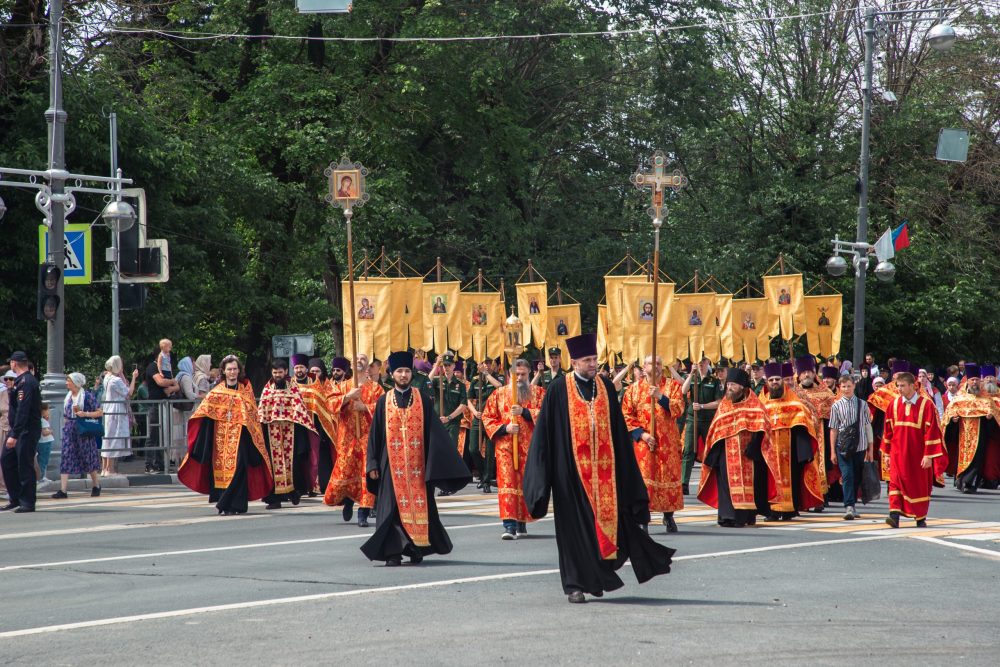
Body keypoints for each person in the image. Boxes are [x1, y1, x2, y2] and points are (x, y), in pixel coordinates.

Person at [523, 333, 675, 604]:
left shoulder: (604, 386)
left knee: (603, 528)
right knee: (573, 532)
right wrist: (541, 479)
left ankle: (595, 577)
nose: (593, 364)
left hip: (606, 474)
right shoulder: (559, 389)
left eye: (594, 359)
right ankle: (574, 585)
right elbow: (545, 436)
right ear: (574, 362)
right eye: (587, 360)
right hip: (570, 474)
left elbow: (618, 431)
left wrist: (629, 475)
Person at [361, 351, 471, 567]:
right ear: (392, 374)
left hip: (417, 466)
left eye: (407, 371)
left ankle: (415, 548)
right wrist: (372, 463)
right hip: (390, 465)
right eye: (400, 371)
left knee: (419, 507)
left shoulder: (423, 400)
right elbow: (375, 434)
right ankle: (393, 553)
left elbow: (435, 434)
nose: (403, 375)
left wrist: (439, 464)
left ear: (412, 373)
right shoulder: (384, 401)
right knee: (391, 509)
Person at [178, 355, 272, 515]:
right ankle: (228, 503)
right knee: (221, 472)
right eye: (229, 369)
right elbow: (203, 415)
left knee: (240, 467)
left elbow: (253, 418)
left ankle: (231, 504)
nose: (232, 372)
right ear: (224, 371)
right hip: (220, 440)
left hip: (241, 439)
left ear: (239, 371)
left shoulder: (245, 393)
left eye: (235, 369)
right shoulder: (216, 393)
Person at [698, 368, 771, 527]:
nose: (729, 387)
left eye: (733, 385)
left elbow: (763, 426)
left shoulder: (754, 404)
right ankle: (727, 516)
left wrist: (754, 445)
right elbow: (715, 429)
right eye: (728, 384)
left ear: (743, 387)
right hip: (726, 452)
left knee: (749, 484)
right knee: (725, 483)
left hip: (748, 454)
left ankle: (745, 516)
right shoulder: (725, 404)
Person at [621, 355, 686, 533]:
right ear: (644, 367)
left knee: (667, 477)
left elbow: (679, 408)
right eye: (651, 363)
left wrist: (660, 397)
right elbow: (626, 415)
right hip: (644, 444)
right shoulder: (633, 390)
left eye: (658, 363)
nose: (655, 366)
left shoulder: (672, 386)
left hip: (667, 443)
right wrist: (641, 434)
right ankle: (643, 519)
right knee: (644, 481)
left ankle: (668, 516)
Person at [481, 359, 545, 540]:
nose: (519, 379)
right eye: (516, 375)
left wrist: (525, 413)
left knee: (525, 485)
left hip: (530, 448)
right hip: (505, 448)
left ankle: (522, 521)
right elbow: (487, 418)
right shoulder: (498, 394)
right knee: (508, 483)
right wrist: (505, 428)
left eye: (523, 375)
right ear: (510, 375)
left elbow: (547, 413)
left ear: (529, 374)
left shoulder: (538, 393)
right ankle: (509, 525)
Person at [325, 354, 384, 526]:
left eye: (363, 359)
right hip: (347, 438)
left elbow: (383, 408)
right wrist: (347, 397)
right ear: (351, 364)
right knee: (346, 471)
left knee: (367, 473)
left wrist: (365, 407)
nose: (359, 360)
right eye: (356, 358)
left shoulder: (376, 388)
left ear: (367, 366)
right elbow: (330, 404)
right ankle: (348, 500)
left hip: (368, 437)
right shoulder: (343, 386)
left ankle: (363, 512)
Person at [761, 363, 825, 520]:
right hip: (768, 452)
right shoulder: (762, 404)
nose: (775, 382)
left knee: (792, 479)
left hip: (789, 451)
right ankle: (773, 511)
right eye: (772, 380)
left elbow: (804, 424)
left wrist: (803, 451)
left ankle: (790, 509)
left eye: (777, 379)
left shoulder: (795, 403)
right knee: (769, 481)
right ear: (767, 383)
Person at [882, 371, 946, 528]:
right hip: (898, 453)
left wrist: (929, 456)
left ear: (912, 386)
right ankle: (894, 515)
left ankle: (920, 517)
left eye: (903, 386)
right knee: (895, 483)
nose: (899, 389)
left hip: (918, 455)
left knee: (918, 486)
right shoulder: (894, 404)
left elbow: (932, 432)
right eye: (898, 386)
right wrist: (887, 453)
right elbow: (888, 430)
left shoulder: (927, 405)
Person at [259, 359, 315, 509]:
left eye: (280, 372)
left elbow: (300, 408)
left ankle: (293, 492)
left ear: (285, 372)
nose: (277, 375)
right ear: (272, 373)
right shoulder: (267, 389)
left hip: (291, 431)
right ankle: (274, 499)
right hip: (272, 432)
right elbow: (262, 411)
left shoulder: (293, 388)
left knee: (293, 463)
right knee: (274, 464)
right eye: (275, 372)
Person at [942, 365, 999, 494]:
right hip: (962, 433)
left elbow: (994, 415)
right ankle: (961, 480)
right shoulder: (959, 398)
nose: (975, 382)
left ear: (980, 381)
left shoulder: (986, 399)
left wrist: (990, 418)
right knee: (961, 457)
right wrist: (953, 420)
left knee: (976, 459)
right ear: (967, 381)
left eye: (977, 380)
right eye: (972, 380)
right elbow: (948, 415)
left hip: (980, 435)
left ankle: (970, 483)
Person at [794, 355, 839, 510]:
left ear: (814, 373)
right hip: (800, 434)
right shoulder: (793, 393)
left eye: (809, 372)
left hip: (820, 434)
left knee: (820, 466)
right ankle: (803, 500)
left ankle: (820, 498)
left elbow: (830, 412)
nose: (807, 375)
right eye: (803, 372)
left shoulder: (825, 392)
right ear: (798, 374)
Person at [828, 375, 873, 520]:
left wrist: (870, 448)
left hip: (860, 446)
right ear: (839, 388)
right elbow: (834, 429)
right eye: (843, 386)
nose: (846, 389)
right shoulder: (836, 406)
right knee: (847, 475)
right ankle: (849, 505)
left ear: (854, 386)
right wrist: (832, 451)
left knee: (856, 476)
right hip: (843, 447)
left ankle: (853, 503)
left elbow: (867, 426)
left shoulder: (862, 404)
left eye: (848, 386)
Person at [2, 352, 42, 513]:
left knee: (24, 465)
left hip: (25, 431)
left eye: (10, 363)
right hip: (19, 430)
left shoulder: (26, 382)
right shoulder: (21, 382)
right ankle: (16, 497)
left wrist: (15, 434)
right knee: (6, 461)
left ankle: (27, 501)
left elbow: (23, 411)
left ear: (14, 363)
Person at [52, 372, 102, 499]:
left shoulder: (87, 396)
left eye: (68, 381)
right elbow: (66, 413)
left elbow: (100, 412)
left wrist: (85, 414)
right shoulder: (68, 397)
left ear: (76, 383)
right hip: (70, 431)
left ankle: (96, 485)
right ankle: (63, 490)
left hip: (83, 431)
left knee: (87, 457)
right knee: (66, 457)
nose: (66, 383)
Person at [680, 357, 724, 495]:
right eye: (698, 361)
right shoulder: (693, 377)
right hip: (693, 419)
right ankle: (684, 483)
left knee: (710, 451)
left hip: (708, 420)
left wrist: (703, 406)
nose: (701, 363)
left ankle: (712, 481)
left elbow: (718, 402)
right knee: (688, 451)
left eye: (703, 361)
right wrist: (691, 374)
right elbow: (683, 390)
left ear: (708, 362)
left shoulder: (714, 381)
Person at [297, 358, 338, 496]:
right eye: (312, 371)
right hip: (305, 426)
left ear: (323, 372)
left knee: (319, 458)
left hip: (323, 426)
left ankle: (321, 485)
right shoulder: (304, 385)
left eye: (317, 371)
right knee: (308, 457)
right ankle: (308, 485)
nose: (315, 373)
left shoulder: (328, 386)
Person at [427, 353, 468, 494]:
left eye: (449, 365)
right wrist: (435, 367)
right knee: (437, 453)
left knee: (449, 452)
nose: (447, 368)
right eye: (444, 365)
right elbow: (426, 382)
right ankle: (440, 483)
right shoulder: (437, 381)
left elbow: (463, 405)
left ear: (454, 366)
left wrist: (449, 417)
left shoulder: (460, 385)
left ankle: (449, 484)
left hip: (452, 423)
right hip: (437, 423)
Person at [467, 360, 503, 493]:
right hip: (478, 417)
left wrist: (486, 374)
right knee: (473, 449)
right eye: (484, 363)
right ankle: (483, 476)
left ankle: (487, 481)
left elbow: (499, 386)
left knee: (489, 451)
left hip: (492, 418)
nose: (486, 365)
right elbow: (469, 399)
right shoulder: (475, 380)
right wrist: (474, 412)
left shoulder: (497, 377)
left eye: (489, 363)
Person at [101, 356, 139, 476]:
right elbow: (129, 393)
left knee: (108, 438)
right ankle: (110, 469)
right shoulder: (115, 380)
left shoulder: (107, 377)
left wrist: (121, 373)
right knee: (114, 438)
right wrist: (134, 377)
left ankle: (104, 468)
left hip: (109, 410)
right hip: (116, 410)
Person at [144, 349, 179, 473]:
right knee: (153, 435)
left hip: (165, 405)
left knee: (163, 435)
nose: (168, 356)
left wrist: (172, 386)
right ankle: (149, 465)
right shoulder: (153, 367)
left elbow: (177, 386)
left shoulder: (166, 369)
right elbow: (160, 381)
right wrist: (172, 382)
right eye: (165, 354)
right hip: (155, 405)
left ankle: (160, 464)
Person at [36, 403, 54, 484]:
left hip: (44, 442)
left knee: (43, 460)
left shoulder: (42, 420)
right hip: (44, 442)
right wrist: (50, 431)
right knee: (43, 460)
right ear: (43, 411)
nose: (49, 411)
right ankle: (41, 477)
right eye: (47, 409)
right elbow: (44, 432)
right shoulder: (42, 421)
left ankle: (42, 476)